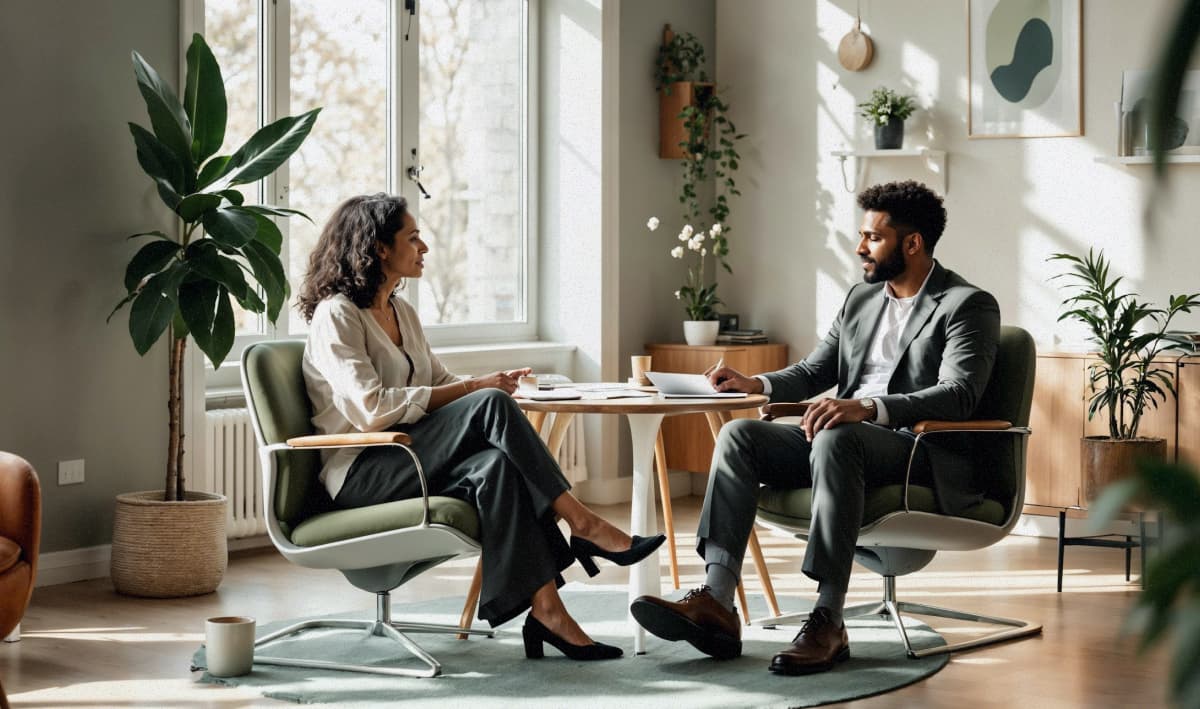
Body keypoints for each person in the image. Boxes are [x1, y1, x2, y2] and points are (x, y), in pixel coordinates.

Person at [631, 180, 1000, 674]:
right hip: (842, 440)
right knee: (740, 435)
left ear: (911, 244)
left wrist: (868, 407)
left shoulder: (965, 304)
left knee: (838, 433)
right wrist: (754, 381)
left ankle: (828, 617)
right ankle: (717, 601)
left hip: (915, 448)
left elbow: (959, 395)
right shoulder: (861, 299)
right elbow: (813, 372)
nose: (859, 246)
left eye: (873, 236)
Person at [297, 193, 664, 661]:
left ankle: (548, 610)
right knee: (488, 403)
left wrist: (491, 385)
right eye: (413, 237)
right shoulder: (338, 314)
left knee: (495, 466)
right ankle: (583, 520)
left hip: (408, 456)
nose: (424, 246)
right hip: (362, 472)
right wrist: (478, 389)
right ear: (380, 248)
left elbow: (440, 382)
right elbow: (370, 409)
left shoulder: (401, 312)